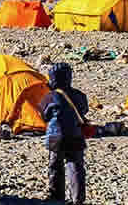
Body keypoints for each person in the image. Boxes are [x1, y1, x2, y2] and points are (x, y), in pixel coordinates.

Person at [39, 62, 89, 205]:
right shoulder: (80, 95)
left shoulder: (50, 97)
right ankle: (77, 198)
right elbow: (84, 110)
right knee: (76, 166)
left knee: (55, 166)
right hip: (76, 135)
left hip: (56, 137)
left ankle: (57, 197)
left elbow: (44, 115)